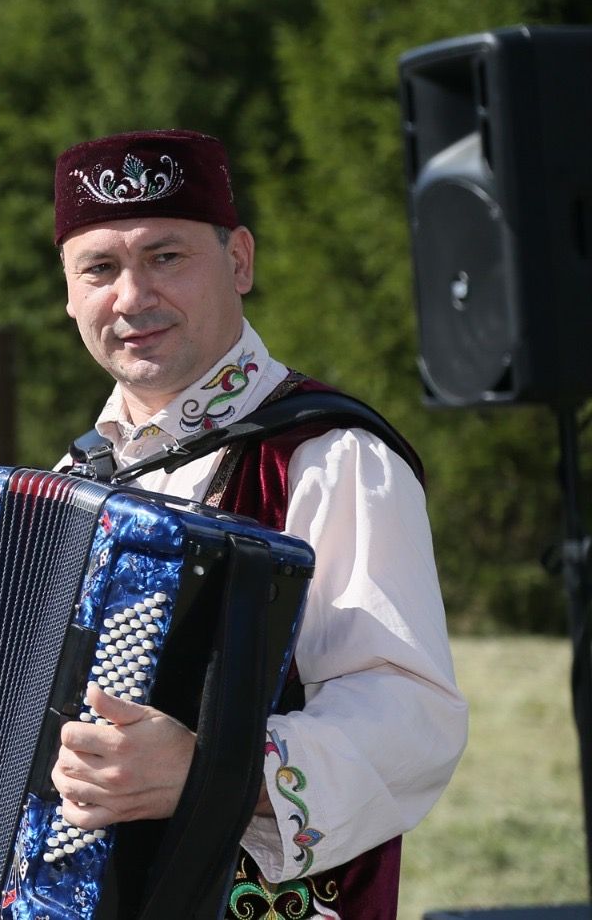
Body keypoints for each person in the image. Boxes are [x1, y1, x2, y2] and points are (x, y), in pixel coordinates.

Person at [43, 129, 467, 918]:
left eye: (166, 256)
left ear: (239, 260)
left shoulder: (328, 455)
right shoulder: (70, 484)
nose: (132, 297)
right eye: (99, 268)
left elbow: (412, 718)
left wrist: (213, 773)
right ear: (68, 294)